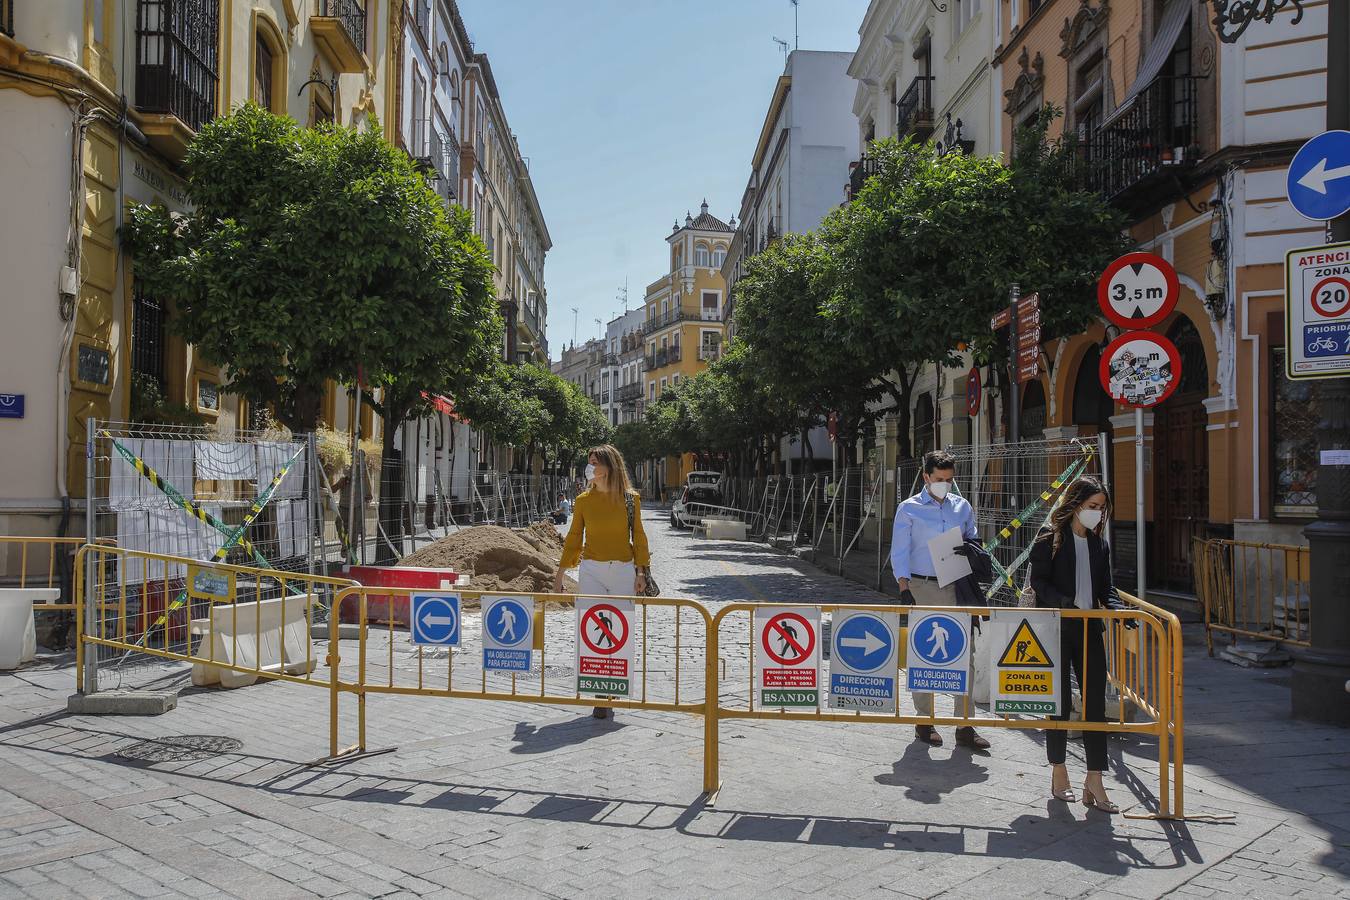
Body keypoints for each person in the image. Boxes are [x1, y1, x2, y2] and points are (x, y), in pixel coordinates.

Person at [1028, 475, 1128, 813]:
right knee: (1057, 703)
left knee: (1095, 706)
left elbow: (1106, 588)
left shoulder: (1100, 544)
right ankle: (1059, 771)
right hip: (1056, 630)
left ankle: (1095, 778)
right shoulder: (1049, 540)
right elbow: (1038, 582)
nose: (1097, 513)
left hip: (1089, 631)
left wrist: (1118, 610)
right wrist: (1063, 601)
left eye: (1101, 508)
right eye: (1091, 507)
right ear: (1074, 504)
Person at [889, 450, 990, 750]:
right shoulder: (909, 509)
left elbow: (974, 538)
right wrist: (904, 586)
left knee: (965, 654)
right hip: (923, 586)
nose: (944, 484)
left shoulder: (962, 507)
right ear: (926, 477)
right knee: (925, 656)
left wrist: (971, 548)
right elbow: (900, 549)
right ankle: (925, 719)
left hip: (957, 584)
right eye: (939, 479)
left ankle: (965, 724)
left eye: (949, 479)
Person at [553, 444, 650, 720]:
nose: (590, 467)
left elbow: (639, 538)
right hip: (592, 570)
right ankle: (599, 694)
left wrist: (640, 573)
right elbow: (573, 539)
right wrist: (560, 574)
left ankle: (613, 690)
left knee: (620, 633)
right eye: (589, 462)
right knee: (592, 633)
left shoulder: (631, 500)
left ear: (609, 466)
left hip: (623, 570)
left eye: (594, 462)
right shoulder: (583, 501)